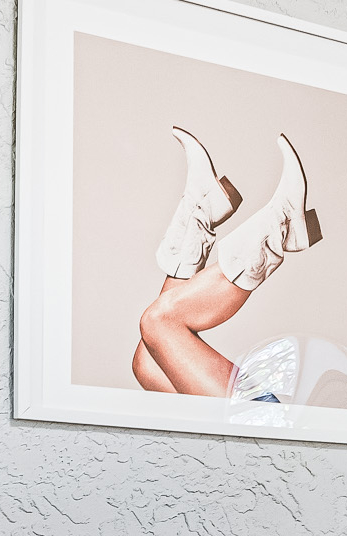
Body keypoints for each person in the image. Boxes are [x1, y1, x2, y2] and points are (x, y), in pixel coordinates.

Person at [131, 125, 319, 398]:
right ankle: (283, 222)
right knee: (155, 332)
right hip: (266, 426)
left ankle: (205, 206)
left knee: (147, 362)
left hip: (259, 429)